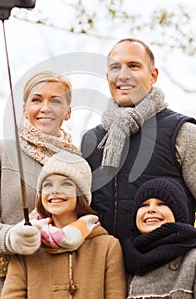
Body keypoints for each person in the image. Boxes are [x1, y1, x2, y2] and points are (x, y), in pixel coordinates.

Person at [0, 71, 80, 299]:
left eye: (55, 100)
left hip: (48, 285)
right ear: (25, 108)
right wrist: (10, 237)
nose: (45, 107)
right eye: (37, 100)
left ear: (67, 112)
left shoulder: (78, 166)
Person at [81, 37, 196, 245]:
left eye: (133, 66)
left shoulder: (183, 132)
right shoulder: (91, 140)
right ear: (108, 77)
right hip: (104, 272)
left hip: (167, 270)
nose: (123, 75)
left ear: (153, 76)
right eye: (115, 67)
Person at [0, 151, 127, 299]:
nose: (55, 190)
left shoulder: (108, 247)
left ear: (81, 194)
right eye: (47, 184)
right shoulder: (28, 242)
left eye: (66, 183)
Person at [123, 178, 196, 298]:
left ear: (178, 213)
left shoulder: (192, 258)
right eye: (144, 205)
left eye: (162, 204)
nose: (150, 209)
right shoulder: (125, 259)